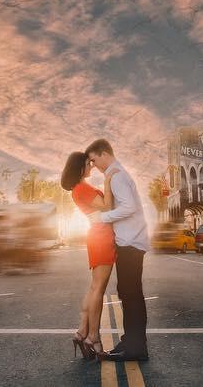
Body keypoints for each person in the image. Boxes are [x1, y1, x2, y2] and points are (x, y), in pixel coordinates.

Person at [85, 139, 150, 362]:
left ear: (104, 154)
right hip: (130, 242)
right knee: (127, 293)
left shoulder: (118, 175)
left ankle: (136, 348)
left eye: (94, 160)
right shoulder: (115, 174)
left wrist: (102, 217)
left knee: (131, 295)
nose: (93, 165)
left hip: (131, 243)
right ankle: (131, 341)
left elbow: (129, 207)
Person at [62, 150, 115, 361]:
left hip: (98, 236)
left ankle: (82, 332)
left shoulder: (80, 188)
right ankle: (93, 337)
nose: (91, 166)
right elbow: (107, 207)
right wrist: (108, 182)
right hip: (101, 237)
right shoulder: (82, 188)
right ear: (80, 167)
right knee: (98, 289)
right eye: (88, 163)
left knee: (95, 288)